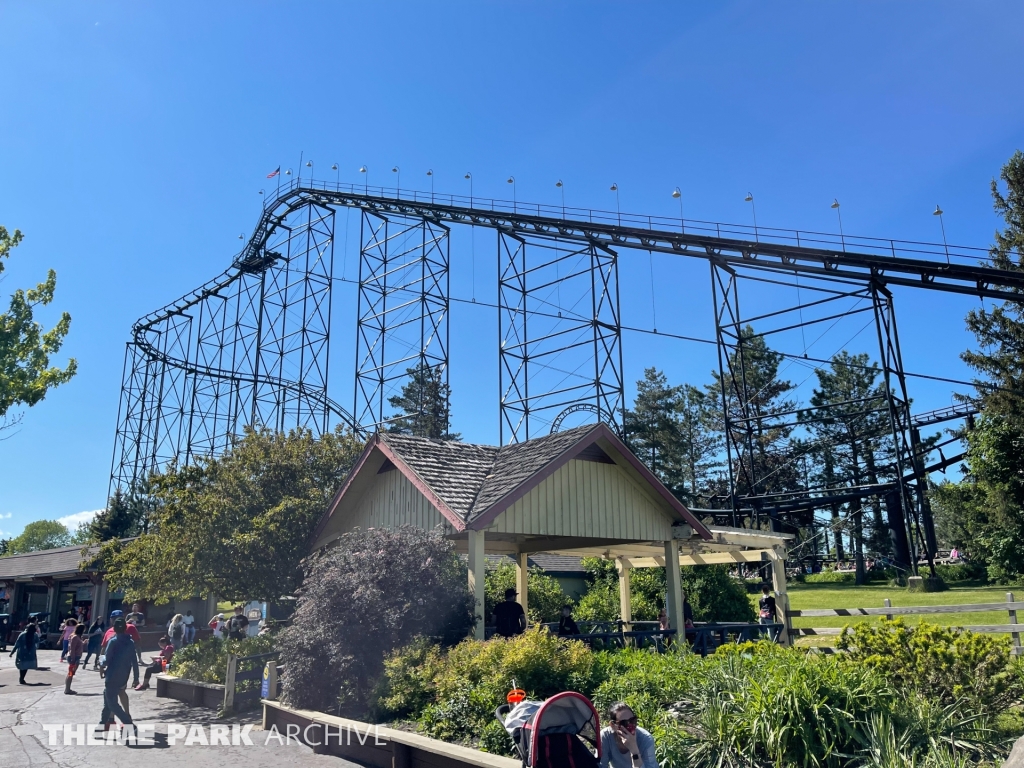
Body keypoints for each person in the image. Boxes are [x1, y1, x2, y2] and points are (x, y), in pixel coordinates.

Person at [100, 618, 139, 730]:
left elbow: (106, 660)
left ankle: (128, 723)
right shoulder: (130, 642)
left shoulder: (113, 641)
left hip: (112, 675)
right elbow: (134, 662)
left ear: (114, 628)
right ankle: (103, 724)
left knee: (111, 703)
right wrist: (136, 678)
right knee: (108, 698)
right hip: (124, 676)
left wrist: (101, 663)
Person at [600, 702, 657, 768]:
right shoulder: (606, 736)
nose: (630, 725)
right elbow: (601, 765)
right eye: (624, 723)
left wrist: (634, 750)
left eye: (632, 720)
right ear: (613, 725)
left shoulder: (646, 739)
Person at [65, 623, 86, 695]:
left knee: (71, 673)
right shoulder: (75, 637)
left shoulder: (77, 637)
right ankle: (67, 689)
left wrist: (83, 643)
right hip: (74, 657)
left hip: (76, 657)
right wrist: (73, 659)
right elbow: (72, 649)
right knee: (70, 673)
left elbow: (77, 646)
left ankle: (68, 688)